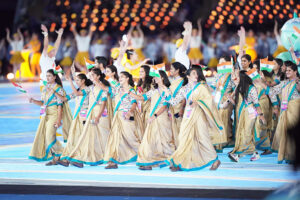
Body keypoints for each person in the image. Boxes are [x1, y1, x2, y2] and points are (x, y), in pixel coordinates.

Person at [165, 66, 226, 171]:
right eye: (193, 73)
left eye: (196, 74)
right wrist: (165, 94)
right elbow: (174, 101)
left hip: (199, 116)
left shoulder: (201, 87)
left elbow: (208, 100)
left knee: (202, 139)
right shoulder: (184, 89)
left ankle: (215, 160)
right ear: (188, 76)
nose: (196, 75)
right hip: (187, 117)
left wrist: (198, 102)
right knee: (183, 139)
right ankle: (181, 163)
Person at [62, 68, 111, 167]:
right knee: (89, 137)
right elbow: (77, 93)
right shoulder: (90, 88)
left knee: (103, 138)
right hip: (91, 114)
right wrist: (71, 79)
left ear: (98, 76)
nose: (91, 76)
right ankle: (81, 160)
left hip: (100, 116)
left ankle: (109, 159)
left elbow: (103, 104)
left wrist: (97, 117)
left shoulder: (104, 88)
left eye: (93, 75)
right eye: (90, 75)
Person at [130, 70, 175, 170]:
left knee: (164, 141)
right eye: (154, 77)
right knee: (149, 140)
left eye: (157, 76)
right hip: (153, 118)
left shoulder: (167, 90)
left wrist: (155, 115)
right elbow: (142, 98)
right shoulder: (154, 90)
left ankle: (171, 160)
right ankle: (148, 162)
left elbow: (165, 106)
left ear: (162, 78)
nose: (154, 78)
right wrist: (130, 93)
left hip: (161, 118)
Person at [28, 69, 71, 165]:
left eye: (50, 76)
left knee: (49, 136)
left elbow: (60, 105)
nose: (47, 78)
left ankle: (62, 153)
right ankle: (56, 157)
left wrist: (59, 120)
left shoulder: (59, 89)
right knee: (46, 136)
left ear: (55, 77)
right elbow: (43, 103)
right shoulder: (44, 88)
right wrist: (33, 100)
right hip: (46, 115)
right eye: (46, 76)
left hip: (54, 114)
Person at [223, 71, 266, 162]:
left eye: (237, 77)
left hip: (250, 113)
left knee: (246, 132)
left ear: (242, 78)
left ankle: (237, 154)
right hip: (241, 113)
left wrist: (261, 116)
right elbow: (236, 103)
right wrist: (230, 99)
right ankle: (254, 153)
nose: (235, 79)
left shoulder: (252, 88)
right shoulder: (238, 88)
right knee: (242, 132)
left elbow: (256, 104)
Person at [104, 71, 144, 169]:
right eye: (119, 77)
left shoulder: (131, 90)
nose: (120, 78)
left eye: (122, 77)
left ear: (127, 79)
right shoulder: (118, 89)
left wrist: (130, 112)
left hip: (127, 117)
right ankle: (113, 160)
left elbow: (134, 103)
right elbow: (107, 84)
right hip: (118, 116)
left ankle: (145, 156)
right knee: (115, 138)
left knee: (131, 138)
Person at [52, 72, 92, 167]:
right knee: (73, 138)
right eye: (75, 80)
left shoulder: (87, 89)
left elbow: (77, 93)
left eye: (78, 80)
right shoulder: (77, 91)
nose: (76, 82)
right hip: (77, 117)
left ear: (83, 81)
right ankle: (67, 159)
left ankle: (79, 160)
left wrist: (70, 80)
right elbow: (64, 99)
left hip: (84, 117)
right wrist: (54, 92)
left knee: (81, 139)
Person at [269, 61, 300, 163]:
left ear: (295, 71)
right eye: (286, 70)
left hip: (295, 110)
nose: (287, 72)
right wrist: (260, 81)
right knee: (285, 132)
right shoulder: (284, 83)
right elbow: (271, 91)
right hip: (285, 111)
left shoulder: (298, 82)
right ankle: (287, 154)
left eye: (289, 70)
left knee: (294, 133)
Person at [211, 56, 235, 151]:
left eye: (223, 63)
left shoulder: (231, 75)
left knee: (224, 117)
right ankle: (218, 140)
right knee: (216, 118)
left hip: (228, 98)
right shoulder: (218, 75)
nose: (221, 65)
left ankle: (225, 140)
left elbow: (235, 90)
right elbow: (212, 87)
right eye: (219, 63)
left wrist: (228, 100)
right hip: (218, 99)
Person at [168, 62, 186, 145]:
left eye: (171, 68)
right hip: (173, 108)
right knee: (175, 130)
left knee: (181, 130)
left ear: (177, 70)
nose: (170, 70)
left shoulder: (182, 81)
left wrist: (182, 109)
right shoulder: (174, 81)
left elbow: (184, 96)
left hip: (179, 109)